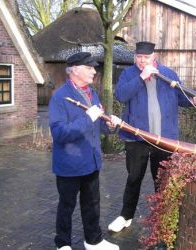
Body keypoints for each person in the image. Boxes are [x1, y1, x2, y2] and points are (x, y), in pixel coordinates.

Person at [108, 41, 196, 233]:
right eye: (139, 57)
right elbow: (121, 96)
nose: (142, 61)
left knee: (162, 181)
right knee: (134, 178)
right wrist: (141, 77)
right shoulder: (129, 74)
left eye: (146, 58)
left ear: (154, 57)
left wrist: (193, 100)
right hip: (137, 138)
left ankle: (162, 220)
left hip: (164, 140)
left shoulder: (168, 74)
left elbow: (181, 98)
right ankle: (126, 217)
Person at [49, 52, 121, 250]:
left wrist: (110, 125)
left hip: (91, 160)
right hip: (69, 164)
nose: (94, 71)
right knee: (67, 206)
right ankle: (63, 244)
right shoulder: (60, 97)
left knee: (92, 204)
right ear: (76, 70)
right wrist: (87, 118)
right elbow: (59, 133)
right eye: (89, 68)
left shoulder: (92, 93)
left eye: (93, 67)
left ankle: (93, 241)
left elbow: (98, 124)